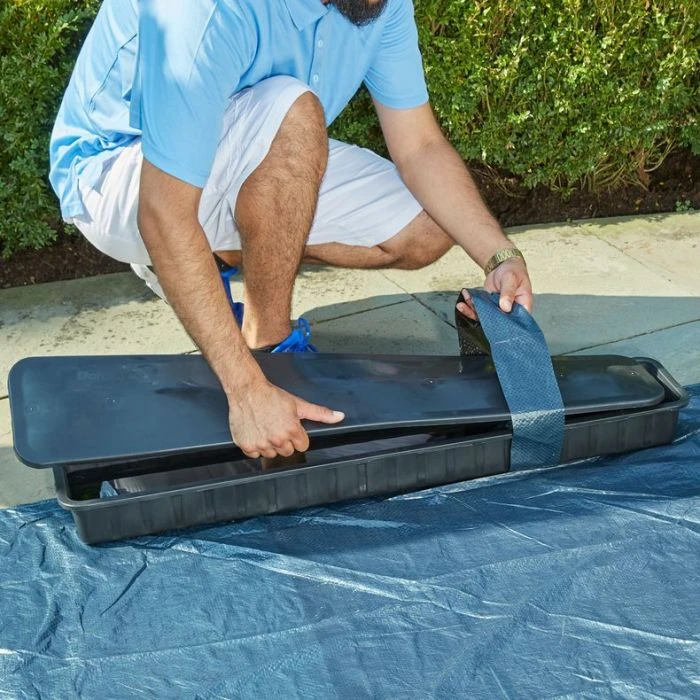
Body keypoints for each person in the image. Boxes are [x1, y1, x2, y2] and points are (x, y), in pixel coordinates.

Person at [49, 0, 533, 461]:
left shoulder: (377, 4)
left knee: (428, 224)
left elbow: (420, 146)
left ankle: (208, 256)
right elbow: (161, 211)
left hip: (247, 148)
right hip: (121, 177)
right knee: (293, 112)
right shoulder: (209, 9)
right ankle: (267, 348)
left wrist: (499, 256)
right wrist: (245, 390)